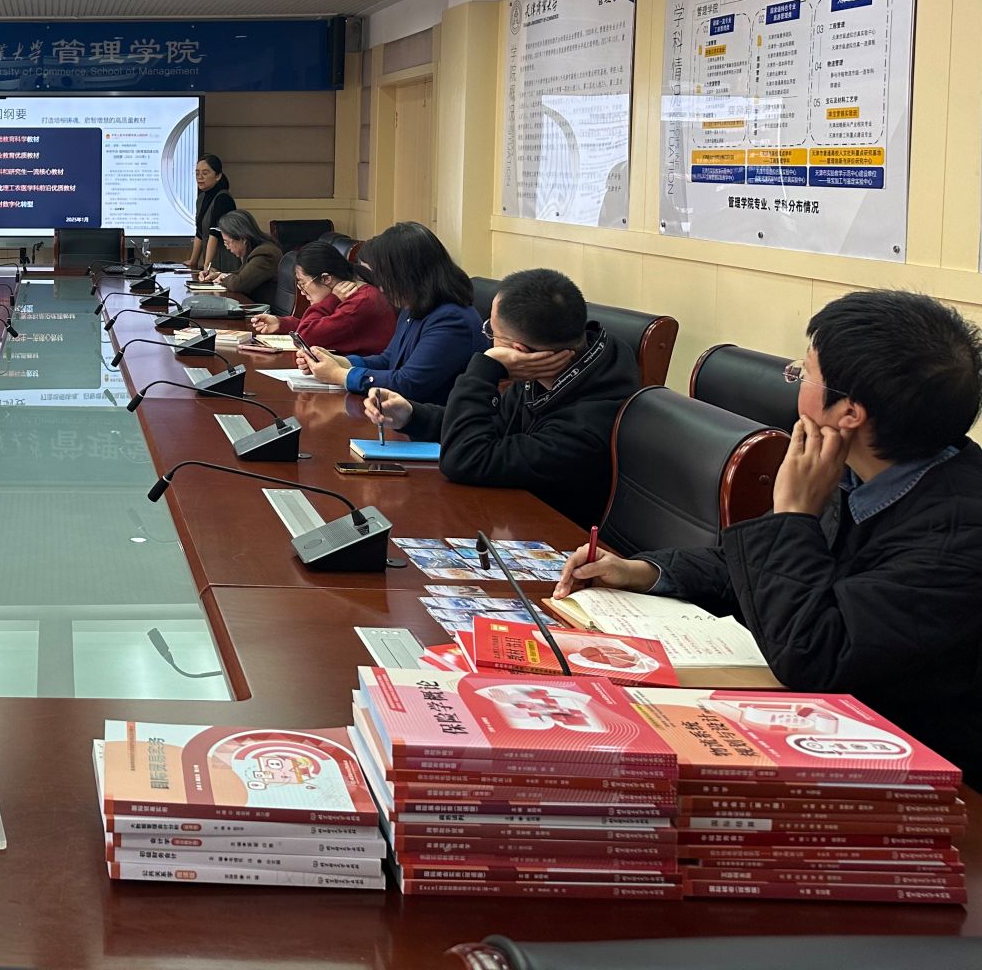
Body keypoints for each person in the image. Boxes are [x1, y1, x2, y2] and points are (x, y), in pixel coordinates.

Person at [554, 289, 982, 781]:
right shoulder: (857, 465)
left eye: (804, 373)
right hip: (831, 726)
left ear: (850, 413)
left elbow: (816, 657)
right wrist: (645, 571)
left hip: (915, 767)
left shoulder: (959, 535)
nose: (794, 382)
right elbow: (758, 570)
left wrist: (793, 515)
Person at [362, 268, 638, 523]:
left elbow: (465, 459)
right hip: (514, 514)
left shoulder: (587, 425)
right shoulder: (555, 372)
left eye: (491, 332)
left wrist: (485, 369)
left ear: (519, 351)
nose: (488, 340)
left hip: (553, 535)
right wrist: (412, 416)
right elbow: (491, 426)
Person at [295, 221, 482, 405]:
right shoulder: (415, 306)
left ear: (407, 275)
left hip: (432, 420)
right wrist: (338, 362)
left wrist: (339, 375)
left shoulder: (451, 320)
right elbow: (388, 360)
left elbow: (407, 383)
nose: (382, 288)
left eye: (385, 279)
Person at [250, 240, 394, 356]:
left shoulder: (359, 301)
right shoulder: (353, 292)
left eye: (303, 283)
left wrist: (332, 299)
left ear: (326, 279)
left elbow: (305, 337)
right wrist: (283, 324)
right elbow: (328, 326)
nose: (302, 292)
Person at [197, 210, 280, 301]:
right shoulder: (254, 250)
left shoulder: (265, 253)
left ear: (242, 238)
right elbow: (241, 274)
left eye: (227, 242)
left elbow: (238, 284)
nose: (227, 247)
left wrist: (223, 277)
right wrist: (217, 275)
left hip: (264, 308)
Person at [187, 156, 237, 274]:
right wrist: (193, 261)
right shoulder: (201, 198)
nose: (200, 177)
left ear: (218, 176)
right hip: (210, 262)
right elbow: (199, 232)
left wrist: (206, 266)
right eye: (197, 173)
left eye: (205, 173)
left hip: (224, 262)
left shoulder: (223, 198)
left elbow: (214, 233)